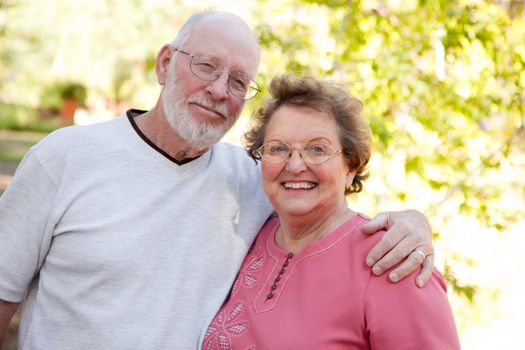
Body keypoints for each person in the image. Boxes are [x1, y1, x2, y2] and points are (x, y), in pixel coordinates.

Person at [0, 12, 434, 350]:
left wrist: (414, 221)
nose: (219, 90)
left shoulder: (254, 179)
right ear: (166, 63)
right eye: (206, 66)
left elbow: (329, 208)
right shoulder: (63, 159)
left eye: (239, 81)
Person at [202, 75, 460, 349]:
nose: (295, 164)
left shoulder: (393, 259)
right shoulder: (249, 233)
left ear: (350, 167)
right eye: (278, 148)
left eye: (317, 149)